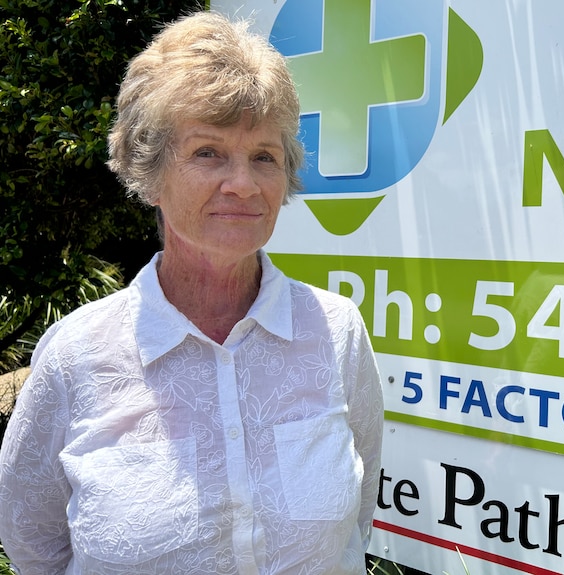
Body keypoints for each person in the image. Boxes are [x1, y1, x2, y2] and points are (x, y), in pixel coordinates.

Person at [0, 11, 383, 575]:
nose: (244, 184)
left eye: (264, 156)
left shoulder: (335, 330)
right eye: (208, 152)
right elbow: (34, 541)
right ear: (148, 171)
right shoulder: (77, 356)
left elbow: (357, 513)